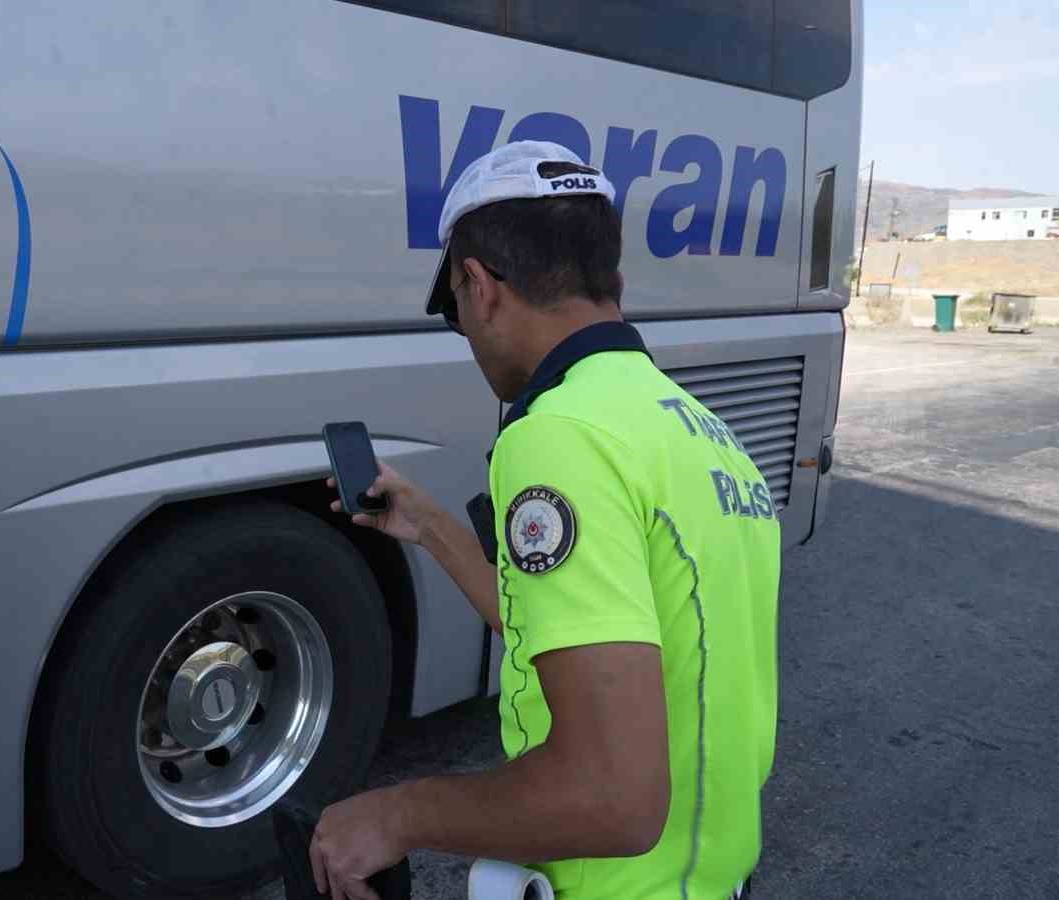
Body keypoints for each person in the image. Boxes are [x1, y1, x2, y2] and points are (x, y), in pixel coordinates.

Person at [309, 141, 781, 900]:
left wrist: (398, 812)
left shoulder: (557, 436)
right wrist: (427, 524)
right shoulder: (698, 431)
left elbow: (612, 800)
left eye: (454, 311)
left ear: (477, 284)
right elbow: (578, 632)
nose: (464, 331)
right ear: (607, 278)